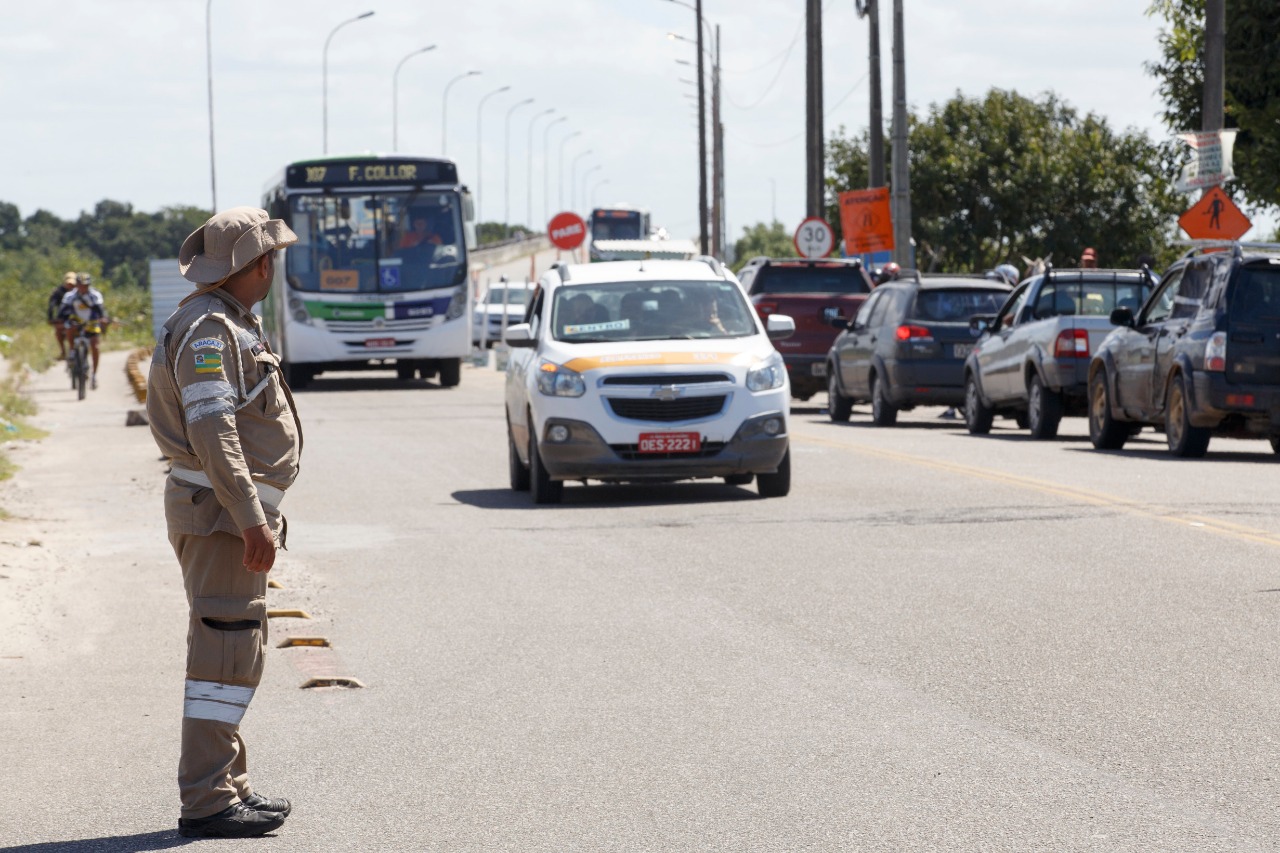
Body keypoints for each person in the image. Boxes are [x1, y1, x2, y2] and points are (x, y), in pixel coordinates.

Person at [146, 207, 303, 839]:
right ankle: (208, 799)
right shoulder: (211, 330)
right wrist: (249, 517)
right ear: (256, 264)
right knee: (224, 651)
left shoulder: (225, 321)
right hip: (219, 518)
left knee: (233, 647)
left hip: (221, 514)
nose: (273, 267)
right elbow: (213, 429)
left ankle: (227, 783)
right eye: (271, 257)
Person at [58, 273, 109, 388]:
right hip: (76, 322)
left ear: (89, 285)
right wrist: (61, 319)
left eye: (85, 285)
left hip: (91, 323)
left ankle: (94, 375)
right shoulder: (70, 296)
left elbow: (101, 309)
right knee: (69, 327)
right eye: (80, 285)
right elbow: (63, 310)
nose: (83, 288)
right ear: (77, 285)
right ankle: (72, 351)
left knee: (95, 346)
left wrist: (103, 319)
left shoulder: (95, 295)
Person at [48, 271, 76, 359]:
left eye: (72, 284)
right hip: (63, 317)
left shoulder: (80, 291)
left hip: (78, 316)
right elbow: (52, 305)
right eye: (69, 283)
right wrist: (51, 318)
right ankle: (63, 352)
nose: (70, 285)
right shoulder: (58, 292)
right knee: (58, 331)